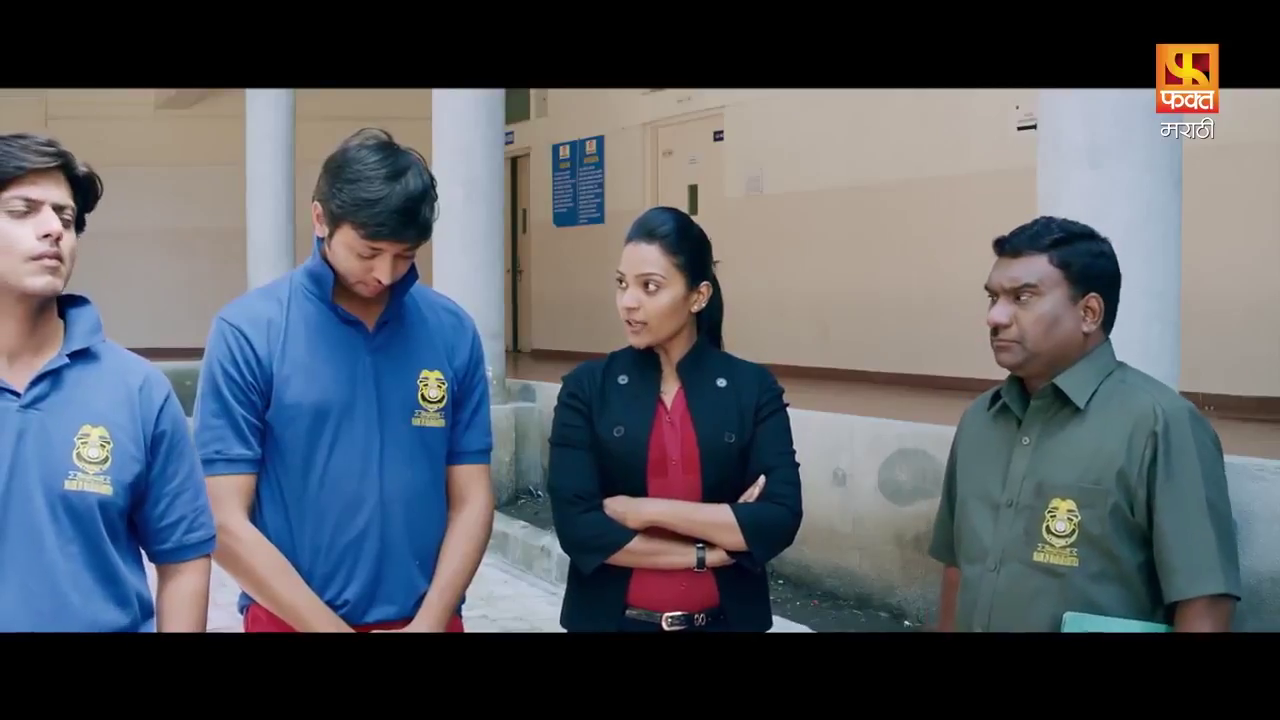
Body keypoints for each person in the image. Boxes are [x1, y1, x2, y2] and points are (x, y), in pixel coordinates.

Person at [194, 128, 494, 633]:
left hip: (426, 620)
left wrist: (430, 622)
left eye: (405, 255)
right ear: (320, 219)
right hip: (289, 620)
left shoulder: (451, 331)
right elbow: (223, 518)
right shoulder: (250, 331)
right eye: (368, 252)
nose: (385, 274)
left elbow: (472, 498)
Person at [928, 215, 1242, 633]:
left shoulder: (1160, 424)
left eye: (1022, 297)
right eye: (993, 298)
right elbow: (958, 567)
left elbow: (1205, 600)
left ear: (1089, 313)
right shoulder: (980, 420)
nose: (995, 317)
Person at [547, 206, 804, 633]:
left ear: (698, 296)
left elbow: (778, 519)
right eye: (622, 284)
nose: (628, 302)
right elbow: (579, 529)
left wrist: (643, 511)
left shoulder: (751, 388)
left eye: (650, 286)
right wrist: (712, 551)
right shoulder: (588, 388)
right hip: (614, 623)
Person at [0, 133, 216, 632]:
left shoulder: (137, 391)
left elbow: (183, 559)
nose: (53, 229)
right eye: (23, 211)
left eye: (66, 218)